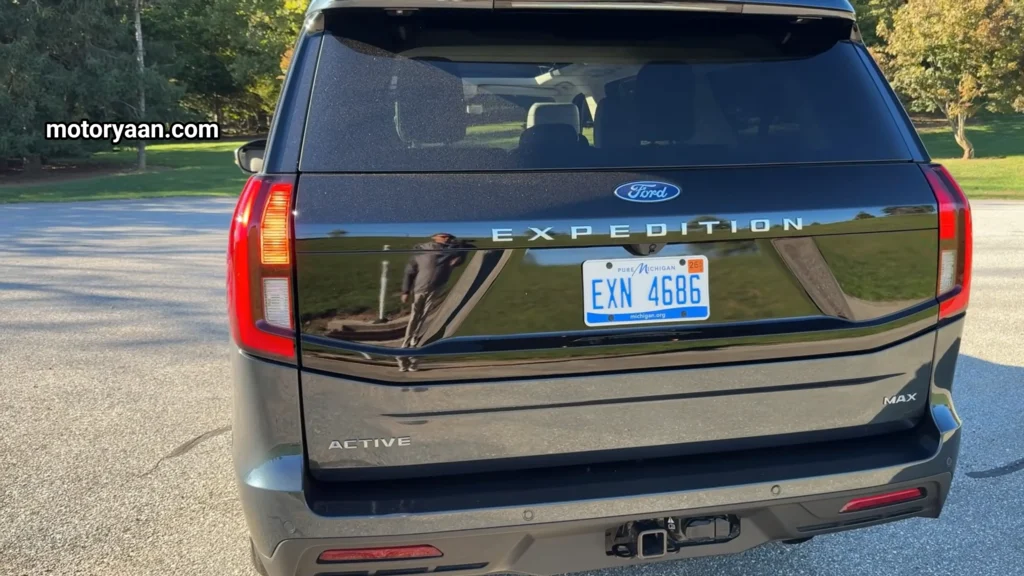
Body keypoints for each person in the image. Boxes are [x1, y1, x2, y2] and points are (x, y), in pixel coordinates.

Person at [398, 233, 465, 371]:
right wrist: (405, 291)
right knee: (414, 316)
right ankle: (405, 346)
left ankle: (415, 345)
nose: (446, 239)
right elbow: (410, 271)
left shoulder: (450, 251)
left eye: (448, 237)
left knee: (424, 316)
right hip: (420, 288)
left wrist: (461, 250)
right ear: (434, 237)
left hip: (435, 289)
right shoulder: (421, 250)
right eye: (443, 236)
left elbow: (459, 260)